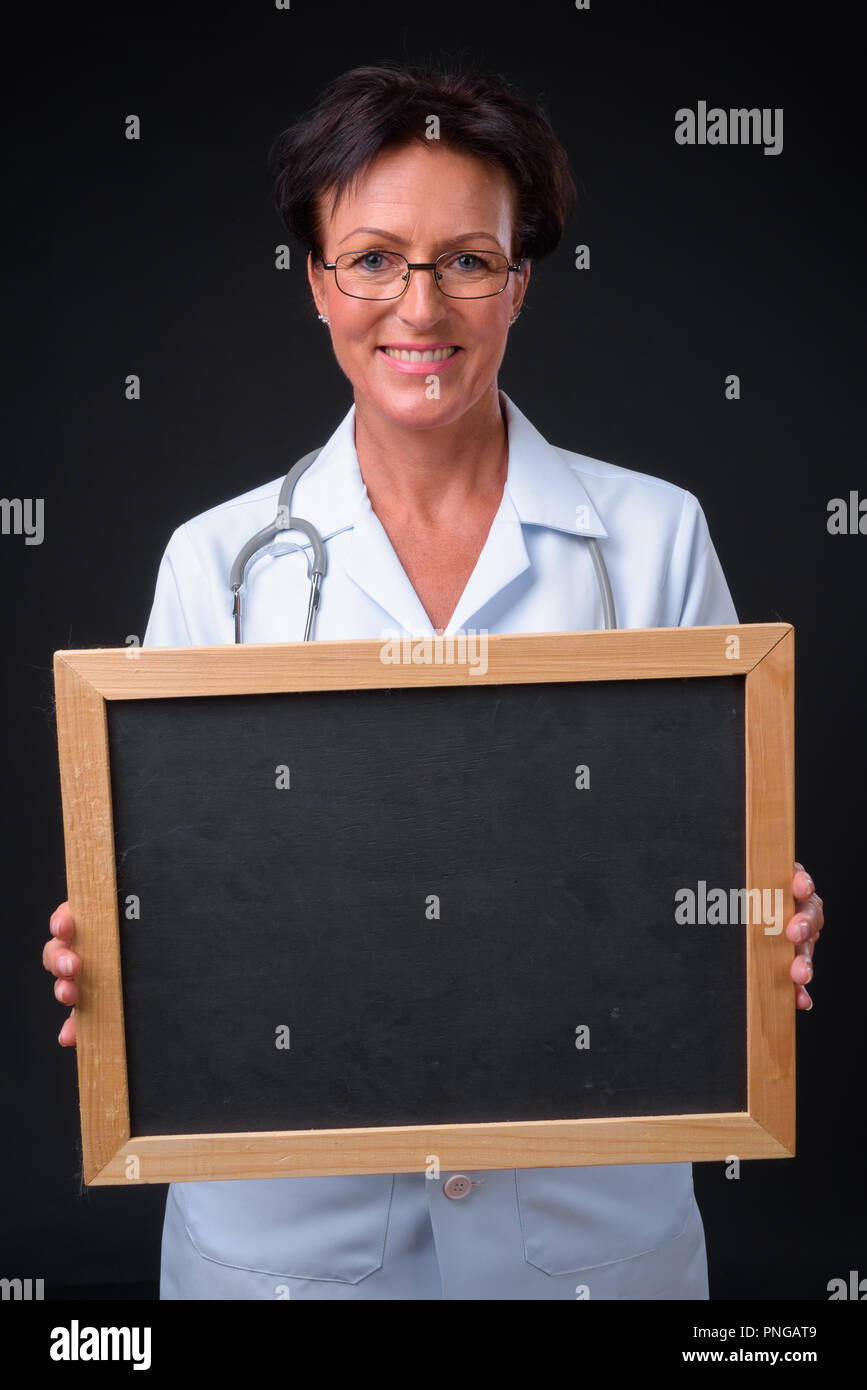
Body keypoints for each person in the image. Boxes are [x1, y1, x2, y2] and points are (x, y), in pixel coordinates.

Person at [43, 61, 823, 1300]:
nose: (419, 304)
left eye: (467, 260)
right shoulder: (219, 562)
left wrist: (760, 922)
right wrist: (124, 956)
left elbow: (723, 867)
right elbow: (170, 875)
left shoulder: (657, 538)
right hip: (287, 1247)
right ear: (315, 282)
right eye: (372, 259)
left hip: (587, 1240)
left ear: (518, 284)